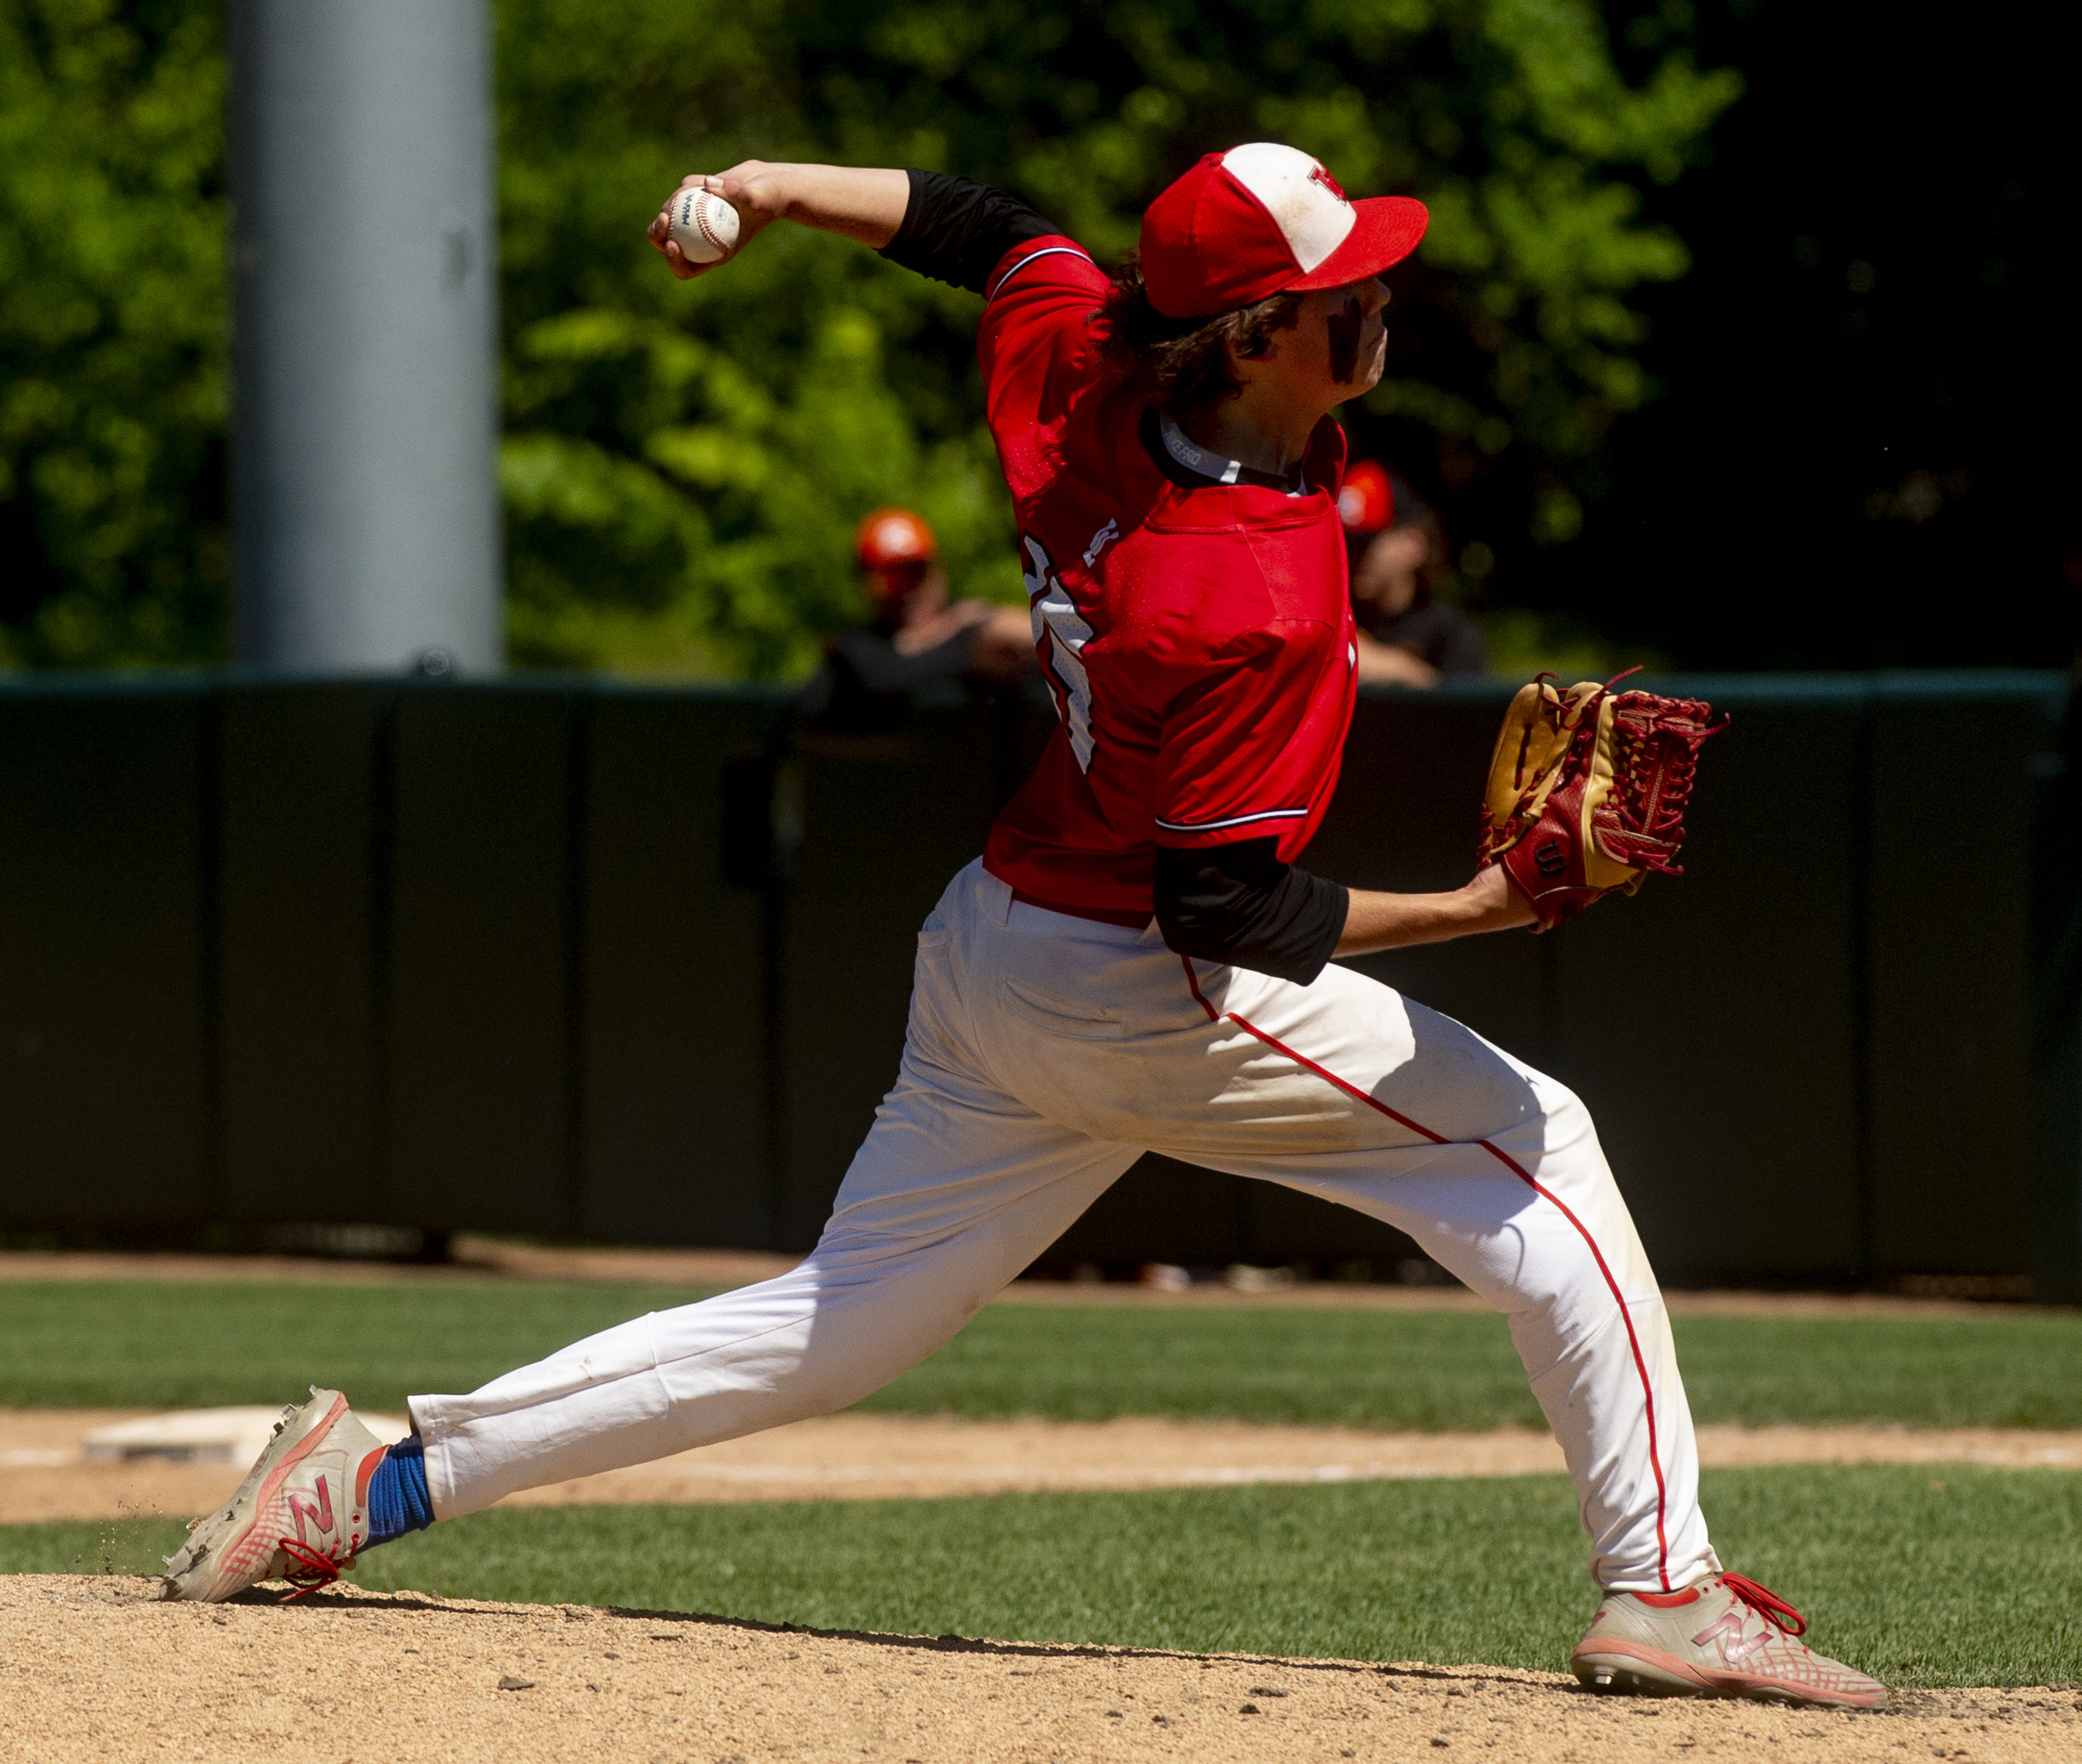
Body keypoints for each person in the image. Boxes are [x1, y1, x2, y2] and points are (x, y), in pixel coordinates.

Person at [160, 143, 1886, 1712]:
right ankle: (1658, 1587)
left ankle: (367, 1479)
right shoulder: (1245, 590)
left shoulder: (1088, 374)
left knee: (846, 1321)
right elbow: (1231, 906)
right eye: (1347, 288)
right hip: (1148, 983)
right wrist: (1485, 903)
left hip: (995, 948)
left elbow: (987, 225)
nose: (1380, 301)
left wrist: (767, 184)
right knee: (1546, 1152)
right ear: (1254, 335)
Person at [795, 509, 1039, 734]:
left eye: (915, 572)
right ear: (865, 586)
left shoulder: (976, 624)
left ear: (939, 570)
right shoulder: (854, 649)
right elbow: (881, 678)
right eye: (888, 579)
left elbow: (1047, 638)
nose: (906, 590)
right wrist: (964, 646)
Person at [1339, 460, 1487, 686]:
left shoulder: (1450, 634)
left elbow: (1462, 715)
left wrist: (1399, 670)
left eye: (1367, 543)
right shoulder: (1336, 619)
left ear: (1413, 544)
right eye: (1347, 542)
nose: (1354, 556)